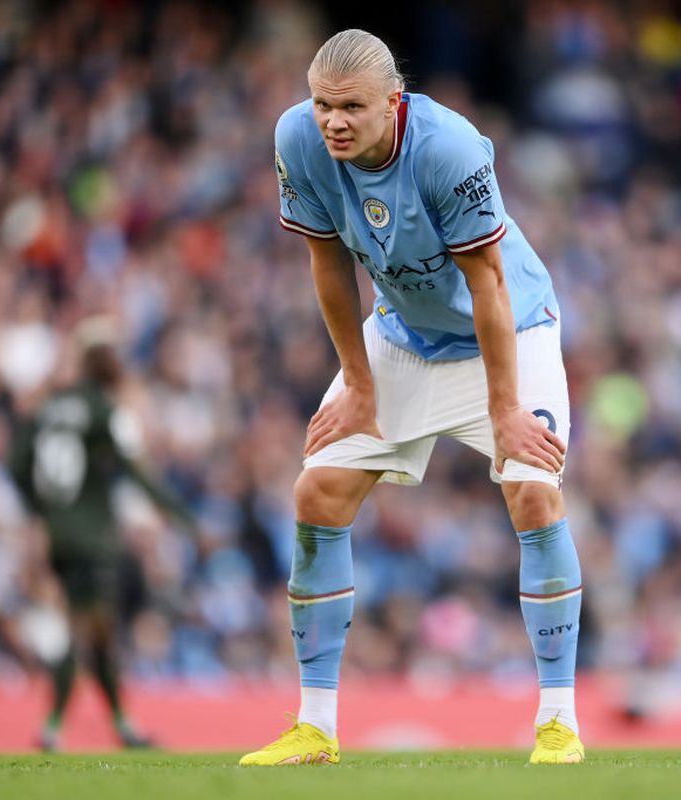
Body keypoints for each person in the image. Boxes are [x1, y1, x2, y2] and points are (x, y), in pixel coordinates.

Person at [239, 29, 584, 766]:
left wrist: (503, 411)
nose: (333, 120)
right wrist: (360, 382)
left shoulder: (448, 148)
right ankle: (316, 728)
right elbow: (327, 262)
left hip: (510, 333)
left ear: (393, 103)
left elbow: (487, 284)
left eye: (352, 108)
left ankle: (559, 723)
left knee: (533, 495)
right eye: (323, 104)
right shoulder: (297, 139)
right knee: (318, 493)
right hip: (402, 337)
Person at [10, 319, 196, 752]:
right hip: (92, 535)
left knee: (95, 633)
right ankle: (54, 728)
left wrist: (43, 512)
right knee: (86, 631)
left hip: (59, 533)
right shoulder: (104, 411)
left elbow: (16, 466)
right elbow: (136, 472)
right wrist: (181, 514)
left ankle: (120, 725)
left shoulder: (49, 407)